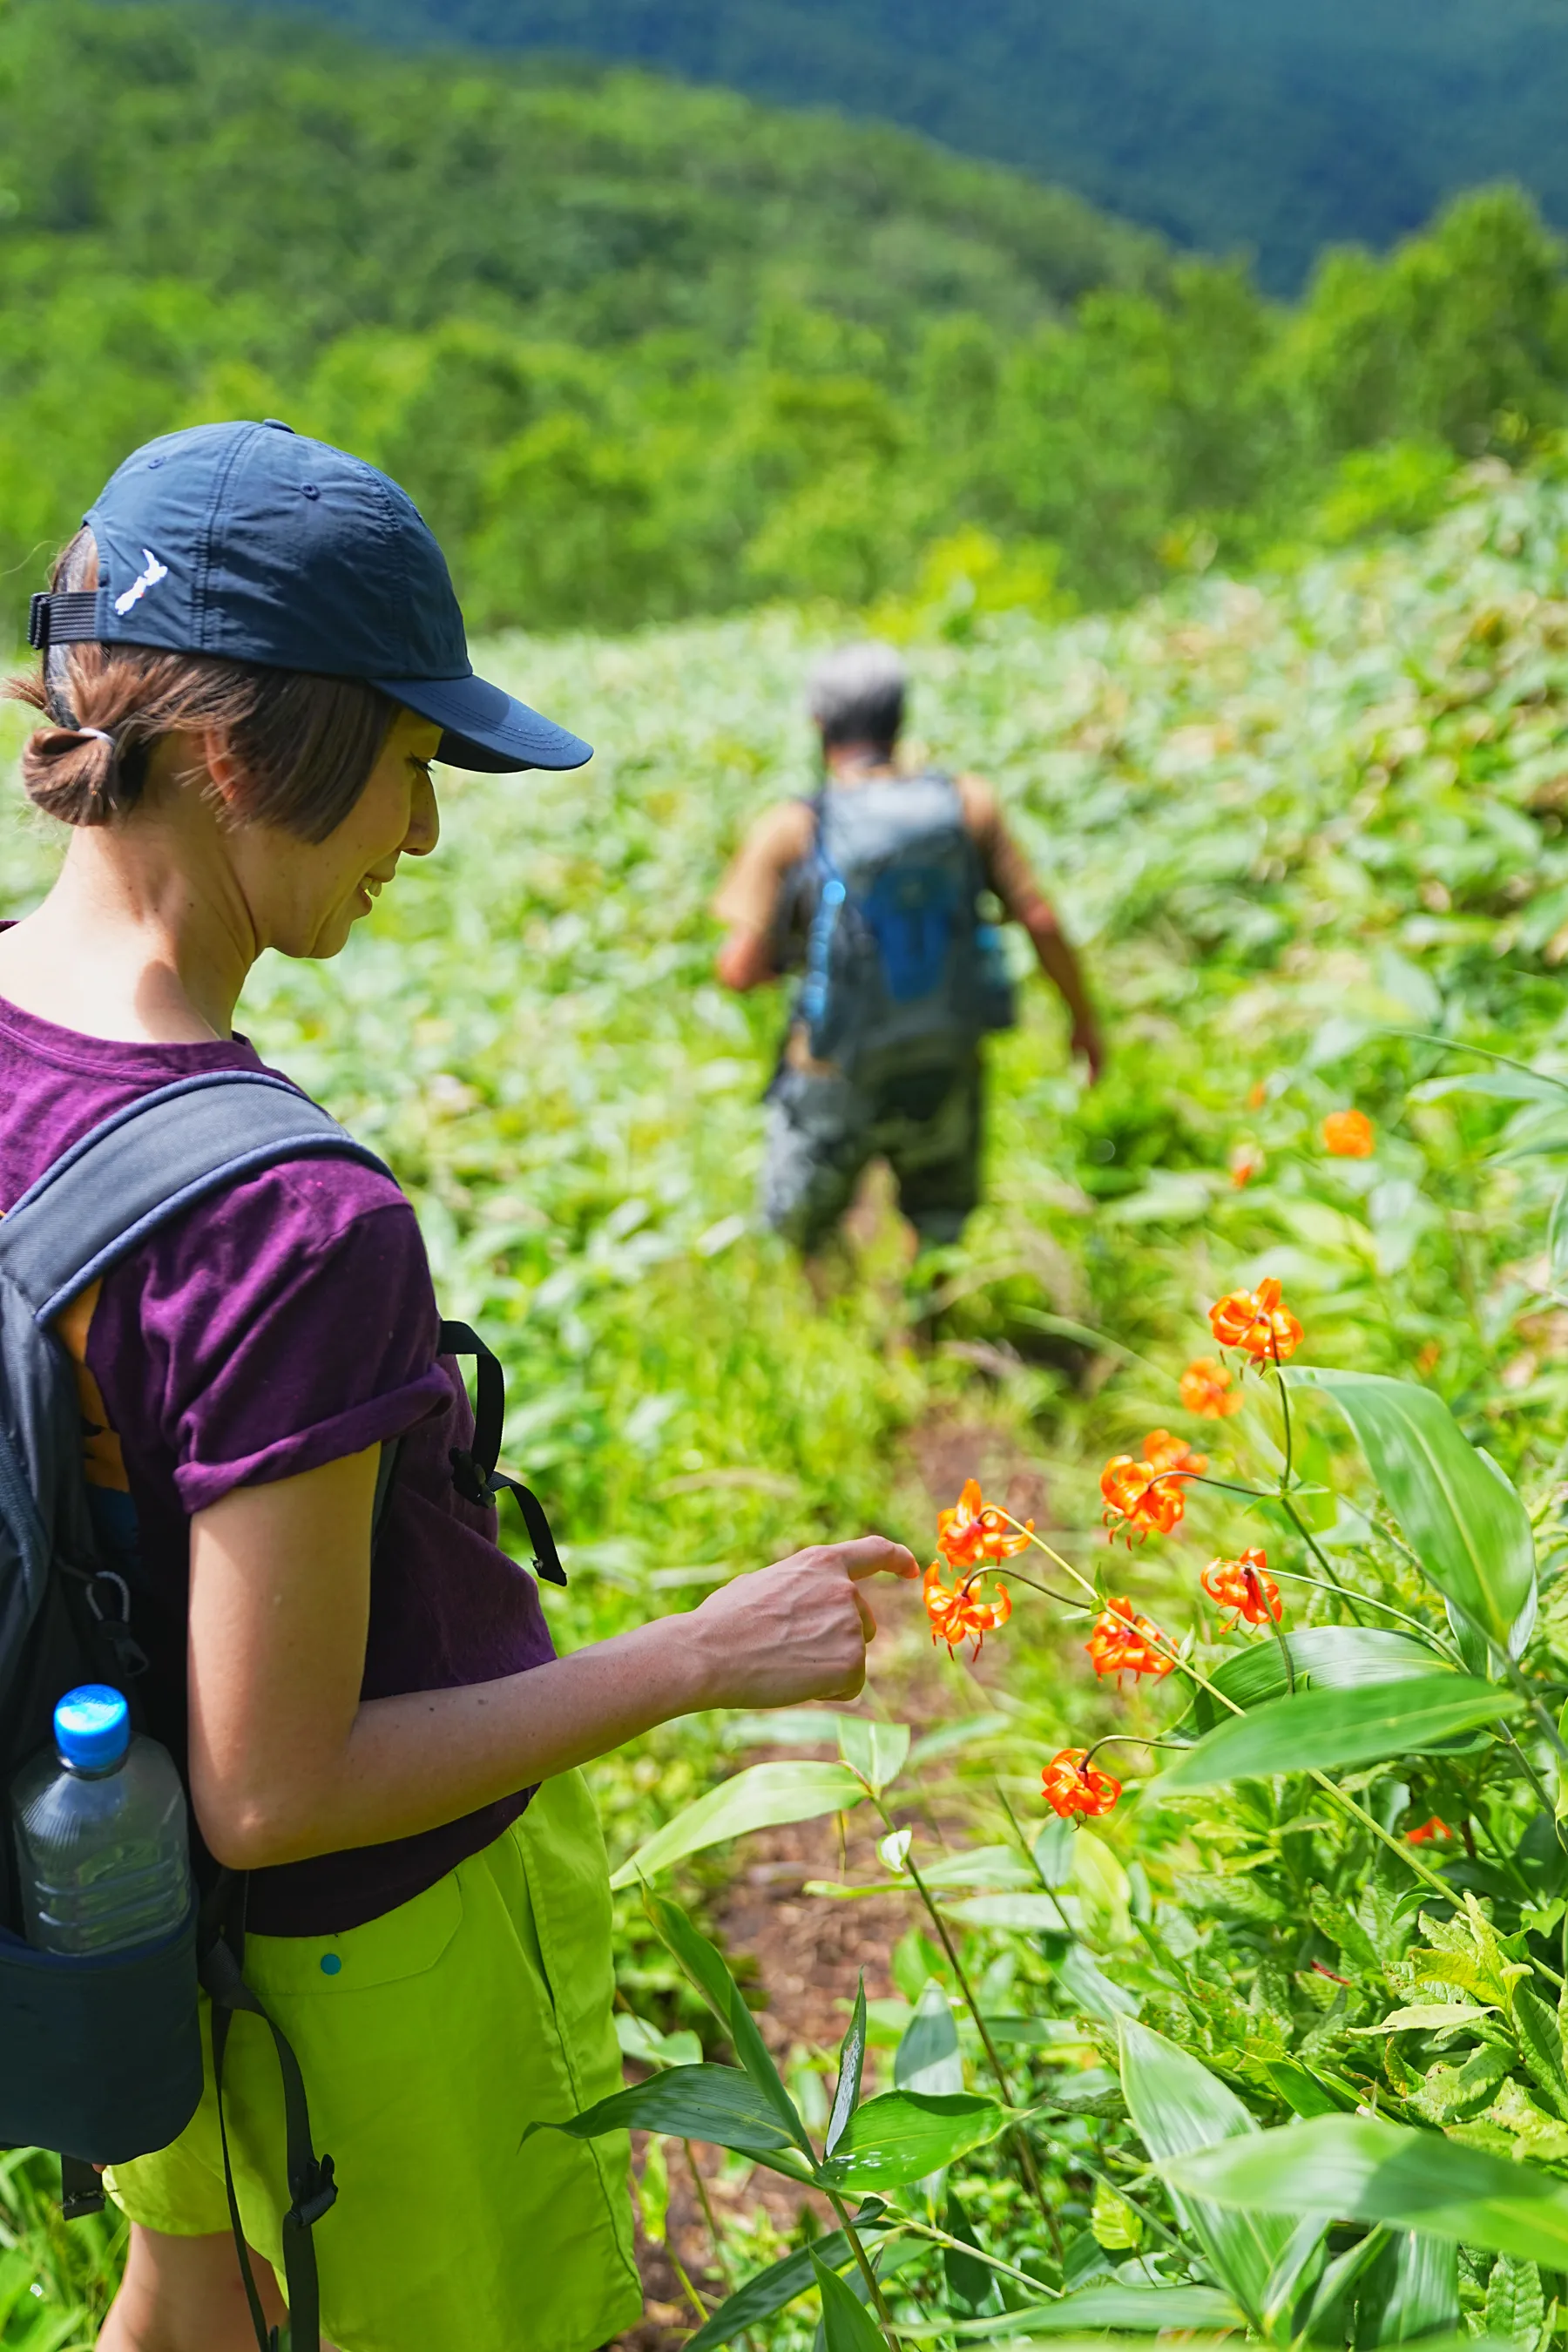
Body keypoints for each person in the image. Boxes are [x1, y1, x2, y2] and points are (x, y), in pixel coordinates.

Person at [0, 421, 916, 2352]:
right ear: (249, 759)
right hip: (362, 1978)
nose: (420, 834)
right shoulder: (288, 1221)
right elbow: (282, 1787)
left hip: (112, 1890)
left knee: (192, 2293)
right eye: (411, 768)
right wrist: (701, 1655)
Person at [713, 641, 1102, 1267]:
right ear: (899, 717)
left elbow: (739, 969)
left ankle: (832, 1332)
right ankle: (925, 1331)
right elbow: (1039, 918)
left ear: (818, 723)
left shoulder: (793, 826)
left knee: (804, 1226)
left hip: (833, 1064)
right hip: (946, 1046)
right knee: (940, 1216)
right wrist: (1083, 1017)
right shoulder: (968, 804)